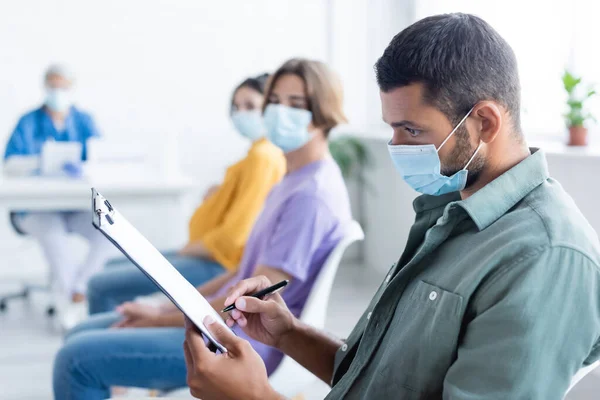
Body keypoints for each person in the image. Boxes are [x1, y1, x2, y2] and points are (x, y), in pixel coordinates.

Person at [182, 14, 600, 400]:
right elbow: (379, 379)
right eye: (392, 128)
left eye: (412, 129)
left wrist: (256, 397)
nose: (396, 146)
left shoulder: (544, 257)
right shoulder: (450, 214)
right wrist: (289, 333)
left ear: (486, 122)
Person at [53, 58, 352, 399]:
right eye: (275, 101)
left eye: (295, 104)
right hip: (227, 327)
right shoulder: (292, 180)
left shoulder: (311, 196)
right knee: (79, 336)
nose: (280, 112)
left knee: (74, 358)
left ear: (324, 111)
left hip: (247, 343)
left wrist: (157, 318)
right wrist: (165, 309)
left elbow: (250, 303)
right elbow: (242, 273)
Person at [86, 73, 286, 315]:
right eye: (236, 107)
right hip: (210, 256)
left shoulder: (262, 157)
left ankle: (106, 340)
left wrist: (190, 249)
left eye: (250, 106)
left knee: (100, 286)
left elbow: (234, 239)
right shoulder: (259, 154)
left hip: (218, 262)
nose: (241, 114)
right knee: (109, 266)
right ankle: (113, 331)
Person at [4, 64, 111, 314]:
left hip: (73, 206)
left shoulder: (84, 121)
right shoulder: (28, 122)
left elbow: (101, 158)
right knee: (55, 239)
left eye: (62, 87)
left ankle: (80, 289)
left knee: (108, 232)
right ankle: (69, 310)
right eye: (53, 86)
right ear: (45, 87)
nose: (57, 92)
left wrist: (82, 166)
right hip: (35, 209)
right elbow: (9, 163)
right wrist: (40, 162)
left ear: (71, 89)